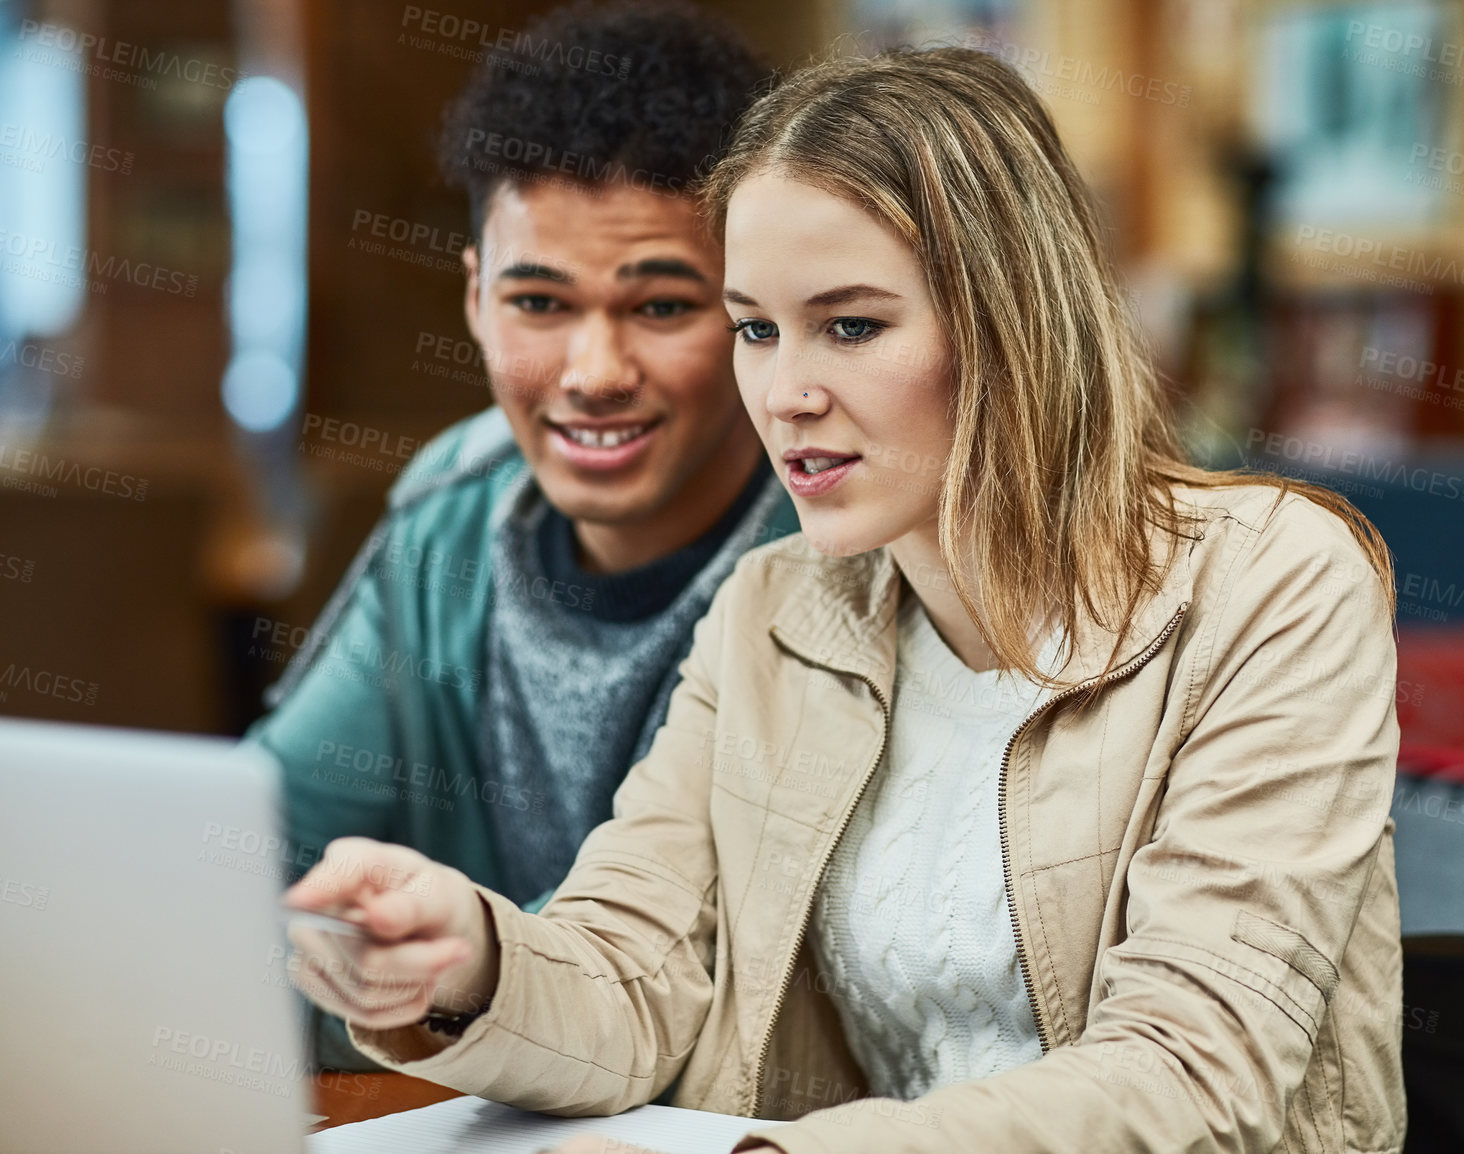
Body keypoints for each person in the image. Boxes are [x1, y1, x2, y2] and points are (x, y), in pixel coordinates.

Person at [286, 46, 1407, 1153]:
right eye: (756, 329)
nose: (784, 394)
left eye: (852, 326)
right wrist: (470, 962)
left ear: (1010, 324)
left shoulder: (1274, 582)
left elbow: (1194, 1074)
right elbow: (636, 970)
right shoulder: (773, 605)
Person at [250, 0, 794, 1068]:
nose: (591, 373)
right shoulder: (451, 509)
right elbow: (252, 858)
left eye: (660, 307)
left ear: (752, 309)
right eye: (539, 302)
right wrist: (379, 983)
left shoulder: (826, 554)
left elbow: (687, 973)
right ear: (475, 298)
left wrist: (415, 988)